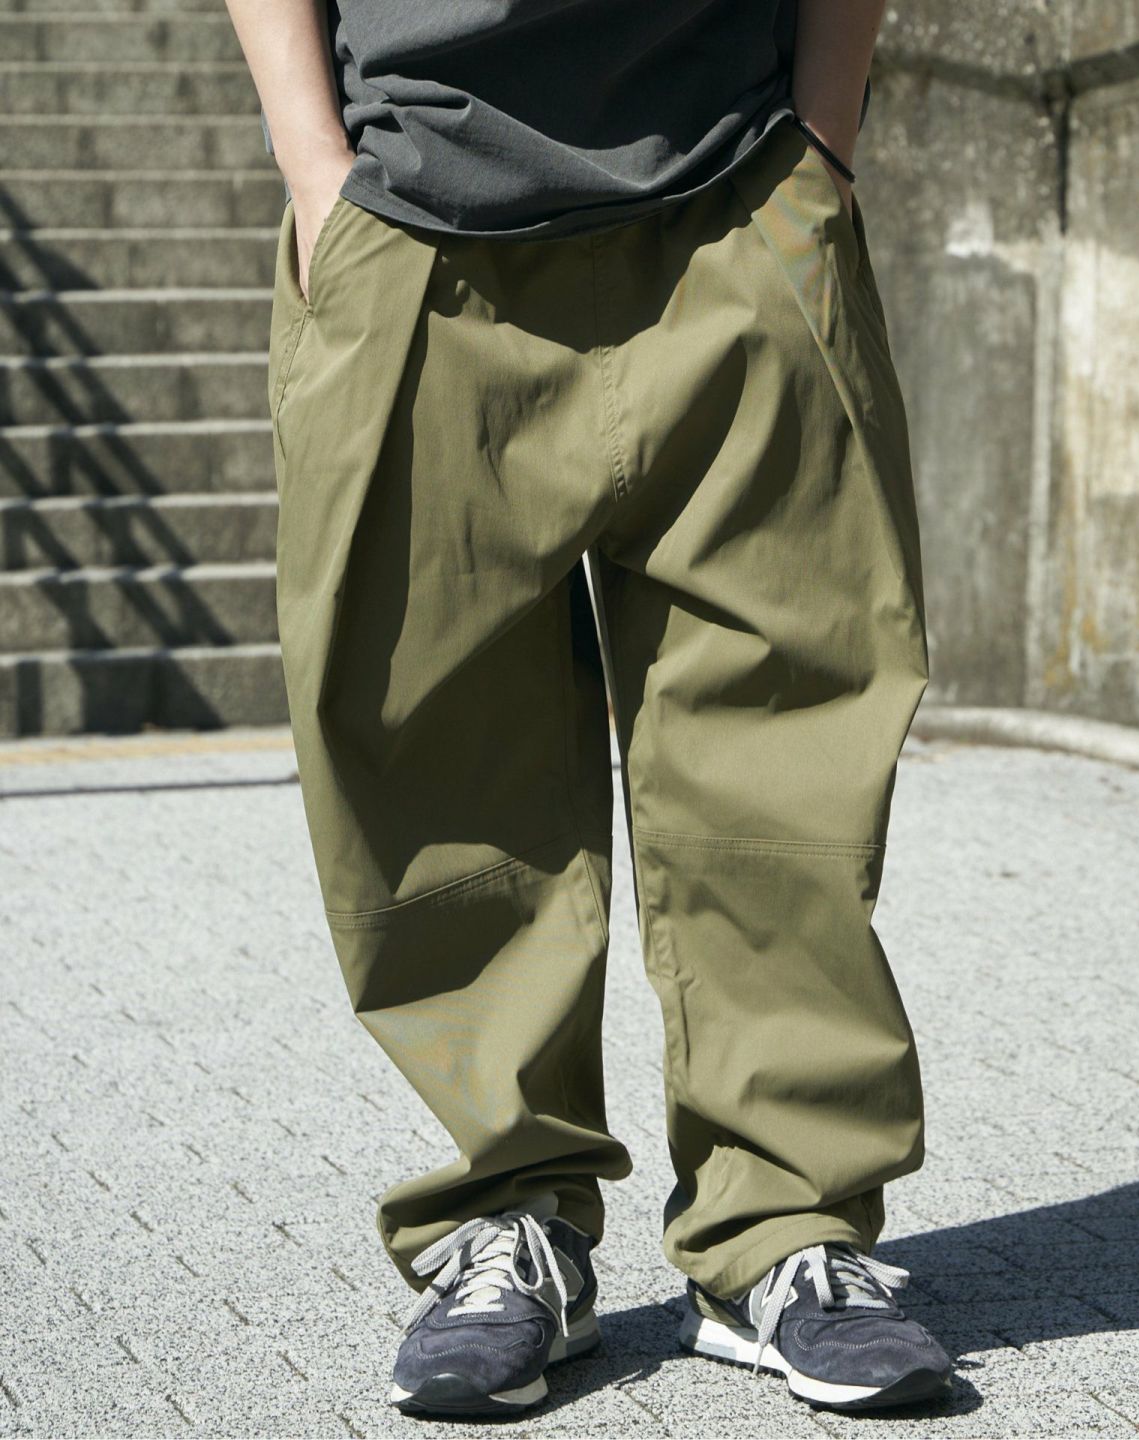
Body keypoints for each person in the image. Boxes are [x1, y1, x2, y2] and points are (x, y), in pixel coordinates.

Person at [225, 0, 953, 1418]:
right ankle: (507, 1216)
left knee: (784, 753)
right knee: (433, 759)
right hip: (412, 209)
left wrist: (820, 142)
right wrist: (316, 171)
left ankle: (783, 1226)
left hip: (737, 185)